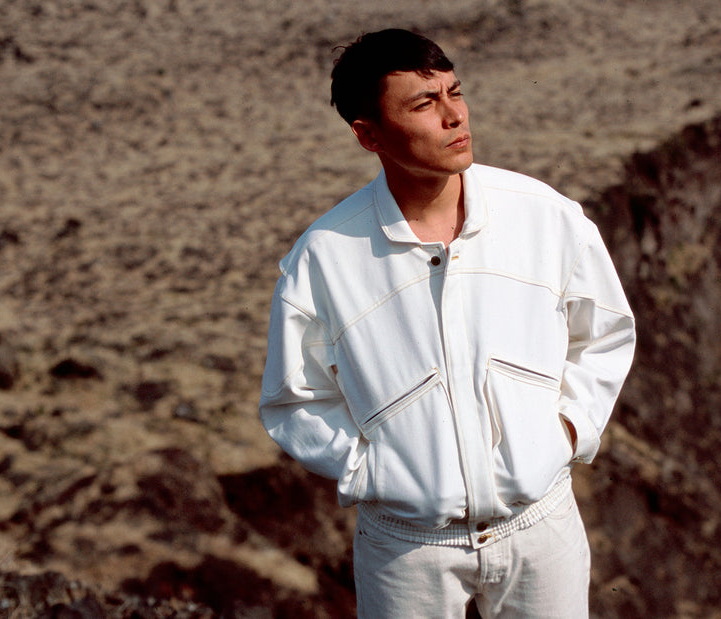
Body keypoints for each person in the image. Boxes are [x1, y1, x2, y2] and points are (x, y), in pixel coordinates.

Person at [259, 28, 635, 618]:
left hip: (542, 529)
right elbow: (292, 398)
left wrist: (566, 431)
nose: (454, 115)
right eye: (423, 104)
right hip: (406, 551)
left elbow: (606, 333)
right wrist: (370, 470)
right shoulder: (326, 256)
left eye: (454, 92)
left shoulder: (545, 216)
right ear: (368, 134)